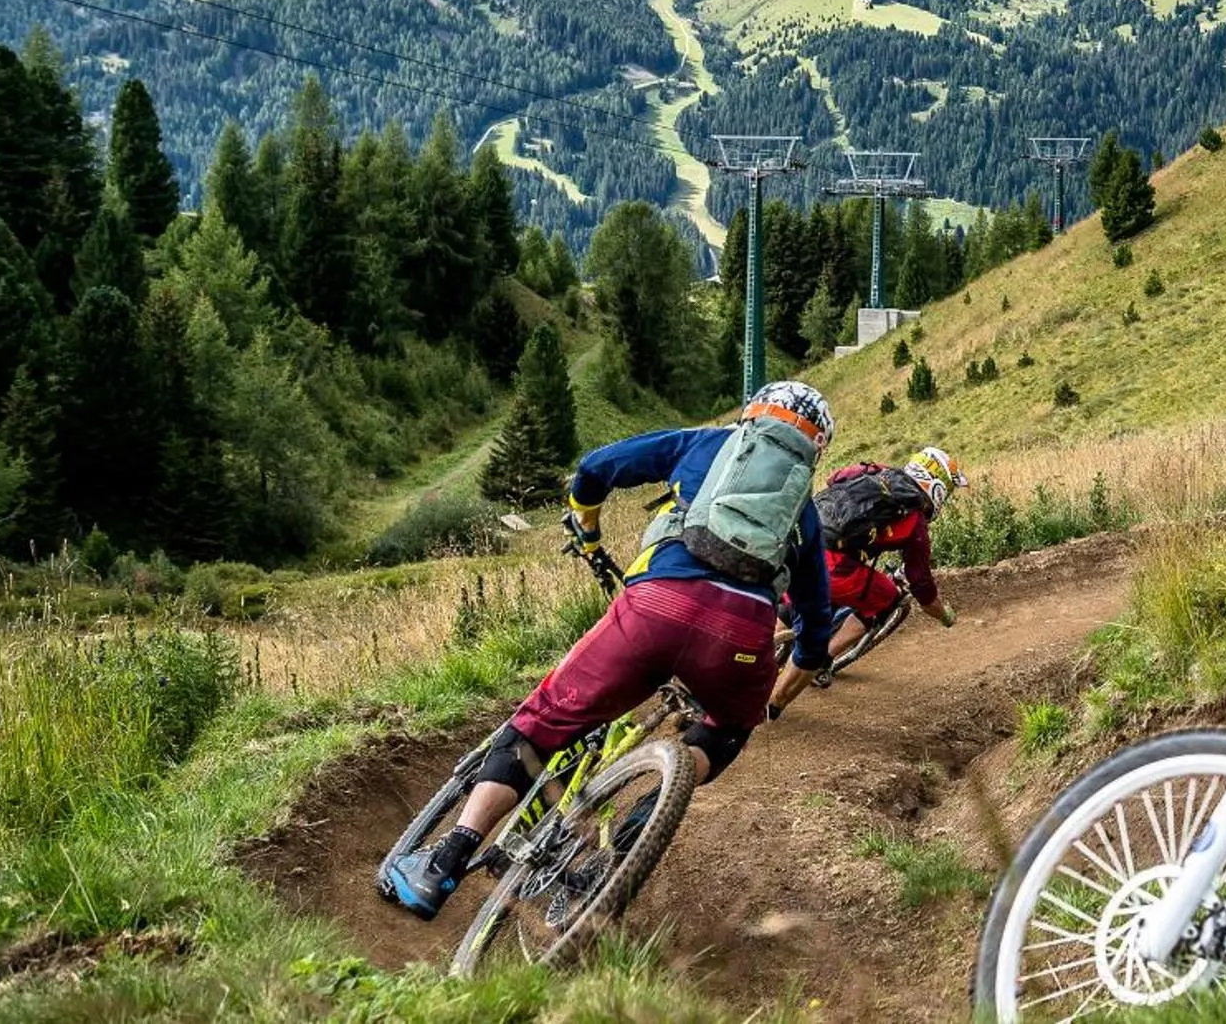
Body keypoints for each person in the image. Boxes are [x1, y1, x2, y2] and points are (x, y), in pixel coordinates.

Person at [377, 381, 838, 919]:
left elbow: (597, 466)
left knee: (540, 723)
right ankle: (626, 847)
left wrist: (587, 525)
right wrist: (785, 685)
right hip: (740, 638)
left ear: (752, 416)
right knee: (728, 730)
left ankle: (442, 865)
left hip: (655, 609)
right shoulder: (801, 512)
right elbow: (816, 628)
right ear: (815, 448)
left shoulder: (705, 444)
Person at [765, 445, 965, 720]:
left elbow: (834, 478)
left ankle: (760, 653)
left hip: (801, 537)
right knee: (885, 599)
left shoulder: (875, 471)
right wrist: (945, 616)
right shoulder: (914, 518)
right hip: (835, 565)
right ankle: (815, 667)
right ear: (937, 486)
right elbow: (921, 584)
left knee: (792, 601)